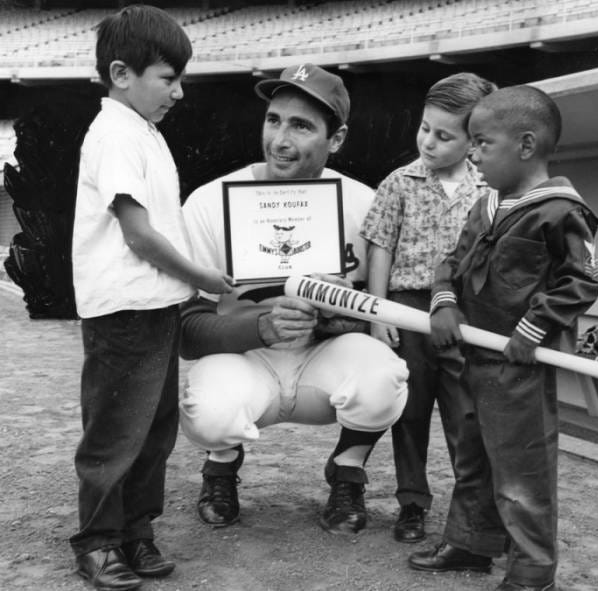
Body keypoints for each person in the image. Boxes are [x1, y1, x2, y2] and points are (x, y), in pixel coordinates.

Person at [178, 63, 409, 536]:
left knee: (385, 378)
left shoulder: (365, 204)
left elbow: (384, 320)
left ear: (337, 138)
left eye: (301, 125)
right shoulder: (209, 201)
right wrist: (261, 326)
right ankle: (221, 465)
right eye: (274, 119)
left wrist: (337, 314)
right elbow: (186, 327)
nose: (280, 139)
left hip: (325, 356)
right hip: (246, 357)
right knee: (209, 411)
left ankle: (348, 468)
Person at [411, 86, 598, 591]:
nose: (471, 155)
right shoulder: (486, 205)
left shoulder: (560, 211)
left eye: (482, 143)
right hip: (471, 356)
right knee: (470, 453)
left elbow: (581, 282)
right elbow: (452, 261)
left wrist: (533, 328)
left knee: (522, 469)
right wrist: (444, 300)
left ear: (525, 145)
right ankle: (472, 543)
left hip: (519, 367)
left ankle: (533, 569)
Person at [69, 6, 234, 591]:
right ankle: (98, 540)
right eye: (168, 78)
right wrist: (206, 278)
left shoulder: (143, 132)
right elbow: (139, 236)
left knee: (155, 427)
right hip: (123, 307)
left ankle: (136, 530)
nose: (179, 92)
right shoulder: (113, 133)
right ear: (121, 73)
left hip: (157, 304)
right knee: (116, 430)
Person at [360, 72, 496, 544]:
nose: (429, 143)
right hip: (407, 309)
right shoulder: (400, 181)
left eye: (444, 135)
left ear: (473, 140)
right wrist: (378, 315)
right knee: (410, 412)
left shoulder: (489, 190)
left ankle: (471, 514)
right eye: (424, 129)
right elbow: (381, 247)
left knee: (466, 417)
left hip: (463, 317)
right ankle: (412, 504)